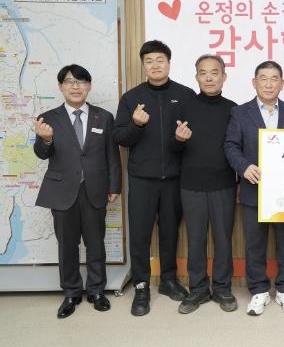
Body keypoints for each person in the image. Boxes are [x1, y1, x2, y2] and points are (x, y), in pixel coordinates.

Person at [113, 40, 196, 316]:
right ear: (143, 66)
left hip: (174, 178)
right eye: (149, 61)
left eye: (160, 60)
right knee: (140, 234)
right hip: (142, 179)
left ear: (169, 63)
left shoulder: (185, 95)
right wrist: (136, 125)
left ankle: (168, 281)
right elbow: (120, 137)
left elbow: (192, 138)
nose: (155, 65)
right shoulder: (131, 98)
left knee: (170, 232)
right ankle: (141, 286)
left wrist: (181, 141)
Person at [33, 64, 121, 318]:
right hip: (62, 191)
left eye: (80, 81)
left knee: (96, 244)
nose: (75, 86)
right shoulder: (48, 118)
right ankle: (71, 292)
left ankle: (96, 291)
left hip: (95, 189)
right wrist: (45, 139)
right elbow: (41, 154)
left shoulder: (104, 117)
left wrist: (114, 185)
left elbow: (112, 155)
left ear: (88, 86)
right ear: (61, 87)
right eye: (69, 82)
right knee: (67, 245)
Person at [224, 60, 284, 316]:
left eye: (274, 78)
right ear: (254, 82)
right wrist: (244, 166)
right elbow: (231, 145)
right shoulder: (240, 112)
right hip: (253, 188)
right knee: (255, 244)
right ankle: (259, 290)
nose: (268, 84)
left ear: (282, 83)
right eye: (263, 78)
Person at [171, 55, 238, 314]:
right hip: (191, 185)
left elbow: (238, 147)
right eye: (203, 73)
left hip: (224, 184)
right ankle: (198, 289)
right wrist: (178, 139)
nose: (209, 78)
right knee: (196, 240)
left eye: (214, 72)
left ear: (224, 76)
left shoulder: (234, 109)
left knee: (223, 239)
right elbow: (171, 147)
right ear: (196, 77)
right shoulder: (184, 107)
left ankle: (222, 288)